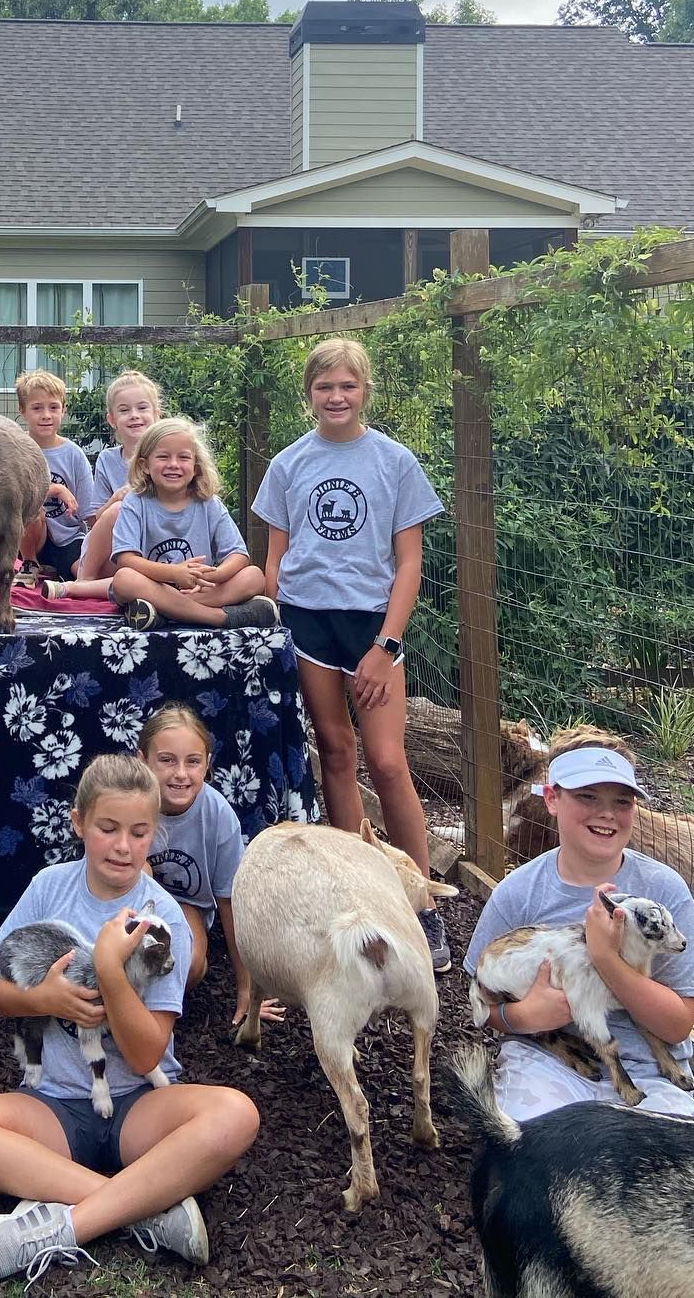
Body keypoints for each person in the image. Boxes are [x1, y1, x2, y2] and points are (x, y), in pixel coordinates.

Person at [0, 754, 260, 1284]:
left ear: (154, 834)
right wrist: (46, 1000)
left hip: (140, 1105)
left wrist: (110, 968)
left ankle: (64, 1224)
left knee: (237, 1114)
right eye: (107, 829)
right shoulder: (48, 888)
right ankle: (144, 1208)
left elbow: (147, 1054)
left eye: (139, 831)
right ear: (79, 822)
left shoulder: (163, 916)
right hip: (54, 1106)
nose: (123, 846)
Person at [253, 337, 451, 971]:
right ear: (308, 394)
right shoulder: (288, 465)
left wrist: (385, 646)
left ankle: (422, 908)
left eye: (348, 386)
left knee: (389, 763)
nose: (336, 397)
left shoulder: (395, 463)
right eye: (324, 387)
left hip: (372, 627)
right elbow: (276, 559)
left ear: (366, 390)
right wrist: (274, 603)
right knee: (335, 752)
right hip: (308, 623)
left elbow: (410, 561)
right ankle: (359, 897)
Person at [463, 727, 694, 1122]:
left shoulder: (665, 890)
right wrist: (522, 1017)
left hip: (648, 1069)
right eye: (586, 796)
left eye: (622, 801)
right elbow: (484, 999)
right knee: (535, 1145)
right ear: (551, 799)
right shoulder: (518, 892)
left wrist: (604, 955)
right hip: (546, 1060)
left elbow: (678, 1023)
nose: (607, 813)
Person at [137, 706, 281, 1029]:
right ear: (142, 760)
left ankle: (145, 1010)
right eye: (167, 760)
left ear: (207, 765)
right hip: (131, 900)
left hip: (188, 905)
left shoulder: (217, 816)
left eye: (192, 761)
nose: (180, 774)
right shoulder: (131, 802)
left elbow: (231, 903)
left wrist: (247, 989)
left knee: (188, 966)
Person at [109, 417, 277, 630]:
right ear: (145, 466)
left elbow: (238, 555)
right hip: (154, 585)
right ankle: (219, 618)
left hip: (200, 589)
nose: (173, 464)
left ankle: (165, 613)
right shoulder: (136, 502)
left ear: (196, 467)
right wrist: (174, 573)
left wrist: (215, 574)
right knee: (124, 580)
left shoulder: (208, 504)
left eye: (183, 457)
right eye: (163, 456)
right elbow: (126, 560)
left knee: (253, 576)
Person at [45, 369, 163, 599]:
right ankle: (84, 580)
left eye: (142, 408)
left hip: (152, 551)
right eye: (124, 410)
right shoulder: (108, 460)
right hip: (114, 552)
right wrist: (114, 500)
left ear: (156, 413)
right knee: (120, 508)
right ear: (112, 419)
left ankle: (129, 592)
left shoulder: (168, 459)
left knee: (137, 578)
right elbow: (97, 518)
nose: (134, 415)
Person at [13, 369, 95, 581]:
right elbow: (14, 495)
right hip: (28, 537)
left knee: (84, 574)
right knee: (31, 507)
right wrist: (57, 489)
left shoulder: (74, 454)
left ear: (63, 410)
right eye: (37, 408)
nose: (46, 415)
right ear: (23, 411)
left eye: (53, 407)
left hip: (69, 537)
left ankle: (55, 571)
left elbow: (88, 511)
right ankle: (30, 564)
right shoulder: (17, 449)